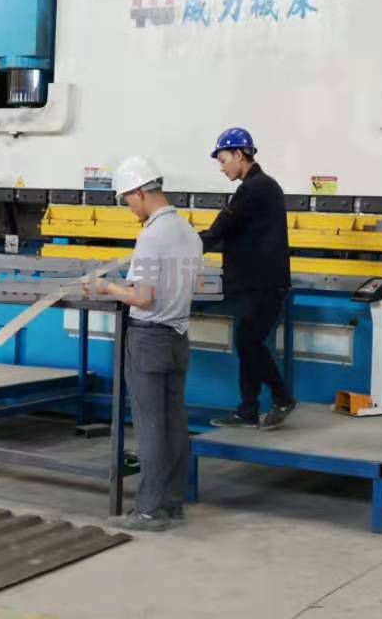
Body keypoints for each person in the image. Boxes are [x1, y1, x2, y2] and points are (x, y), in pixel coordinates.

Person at [84, 155, 201, 532]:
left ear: (139, 192)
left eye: (126, 200)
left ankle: (148, 510)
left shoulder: (152, 236)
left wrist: (106, 287)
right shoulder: (189, 233)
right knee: (175, 424)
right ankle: (172, 504)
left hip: (150, 338)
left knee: (150, 427)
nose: (129, 208)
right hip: (179, 337)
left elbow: (144, 297)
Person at [201, 127, 297, 430]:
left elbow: (220, 229)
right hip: (259, 284)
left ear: (239, 155)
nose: (222, 167)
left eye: (223, 160)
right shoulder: (263, 186)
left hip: (262, 286)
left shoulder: (254, 189)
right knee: (247, 342)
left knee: (249, 343)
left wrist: (182, 245)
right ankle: (248, 410)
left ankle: (282, 397)